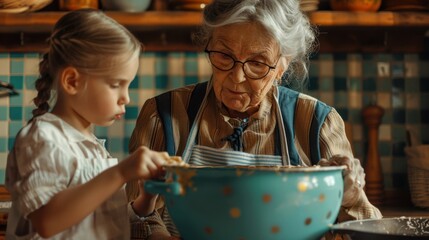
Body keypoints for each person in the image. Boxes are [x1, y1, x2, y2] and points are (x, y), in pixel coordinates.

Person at [127, 0, 383, 238]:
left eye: (258, 63)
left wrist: (349, 196)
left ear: (283, 65)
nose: (237, 77)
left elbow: (368, 232)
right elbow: (135, 218)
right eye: (224, 56)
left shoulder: (317, 124)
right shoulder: (163, 115)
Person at [5, 9, 170, 239]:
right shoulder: (43, 139)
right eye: (116, 84)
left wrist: (146, 199)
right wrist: (121, 172)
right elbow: (47, 221)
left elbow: (103, 225)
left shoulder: (92, 146)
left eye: (128, 85)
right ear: (72, 81)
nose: (126, 98)